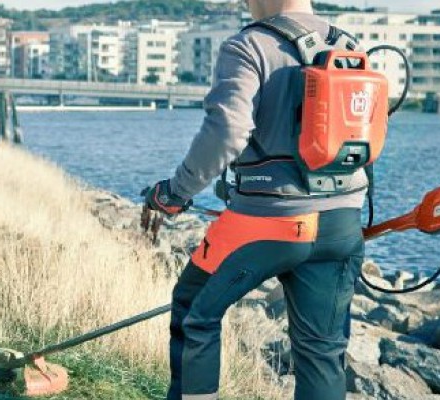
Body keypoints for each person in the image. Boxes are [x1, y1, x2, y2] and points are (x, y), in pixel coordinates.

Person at [141, 0, 369, 399]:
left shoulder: (248, 46)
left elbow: (227, 133)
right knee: (321, 352)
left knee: (195, 311)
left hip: (265, 223)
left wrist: (174, 193)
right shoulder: (350, 46)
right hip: (342, 222)